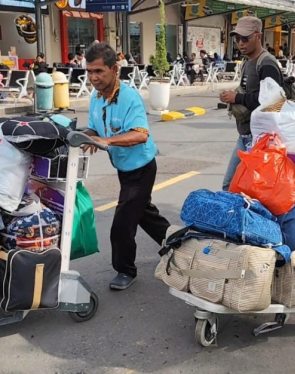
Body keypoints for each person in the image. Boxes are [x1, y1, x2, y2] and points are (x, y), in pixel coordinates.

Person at [82, 42, 171, 290]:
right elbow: (94, 128)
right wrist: (85, 136)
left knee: (122, 222)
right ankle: (176, 244)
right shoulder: (96, 98)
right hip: (123, 168)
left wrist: (106, 140)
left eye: (99, 71)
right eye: (89, 71)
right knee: (145, 214)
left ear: (114, 69)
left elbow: (141, 134)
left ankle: (125, 270)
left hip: (141, 168)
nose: (93, 77)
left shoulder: (129, 97)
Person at [218, 16, 283, 191]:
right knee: (232, 186)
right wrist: (231, 96)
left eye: (245, 38)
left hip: (260, 141)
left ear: (258, 36)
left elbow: (274, 102)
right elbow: (250, 93)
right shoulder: (248, 62)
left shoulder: (266, 63)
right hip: (246, 136)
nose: (240, 43)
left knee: (237, 187)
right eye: (237, 38)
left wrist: (237, 98)